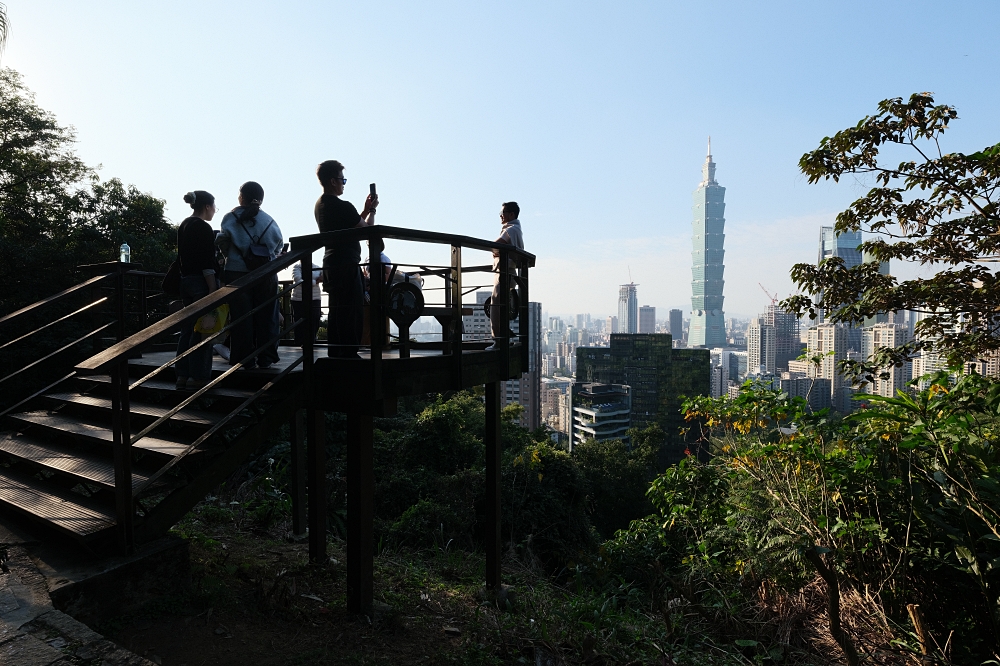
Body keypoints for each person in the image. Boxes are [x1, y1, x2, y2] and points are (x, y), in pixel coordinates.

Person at [216, 181, 284, 368]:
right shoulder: (270, 220)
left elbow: (222, 241)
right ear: (261, 199)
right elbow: (279, 245)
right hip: (265, 272)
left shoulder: (230, 218)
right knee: (268, 316)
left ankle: (243, 357)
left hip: (237, 273)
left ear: (241, 196)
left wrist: (232, 255)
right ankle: (267, 357)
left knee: (240, 317)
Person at [313, 160, 378, 358]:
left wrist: (365, 210)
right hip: (347, 263)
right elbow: (367, 231)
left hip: (331, 263)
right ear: (333, 181)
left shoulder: (321, 204)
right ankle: (350, 353)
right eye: (342, 180)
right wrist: (372, 211)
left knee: (337, 310)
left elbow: (351, 225)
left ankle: (337, 352)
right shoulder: (342, 206)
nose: (343, 183)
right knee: (352, 310)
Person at [175, 190, 220, 389]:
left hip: (185, 281)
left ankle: (182, 375)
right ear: (207, 206)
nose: (214, 211)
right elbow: (206, 260)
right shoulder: (203, 227)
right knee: (203, 329)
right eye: (214, 207)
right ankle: (199, 376)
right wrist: (212, 287)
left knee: (187, 329)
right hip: (201, 282)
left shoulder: (184, 224)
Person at [487, 201, 524, 350]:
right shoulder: (515, 229)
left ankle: (499, 341)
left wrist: (495, 250)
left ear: (511, 214)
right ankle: (503, 339)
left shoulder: (512, 229)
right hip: (507, 273)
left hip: (504, 273)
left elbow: (496, 245)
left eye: (503, 212)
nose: (501, 216)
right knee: (501, 307)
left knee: (496, 306)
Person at [291, 261, 322, 346]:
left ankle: (311, 341)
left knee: (315, 319)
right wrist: (315, 282)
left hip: (315, 297)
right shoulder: (297, 267)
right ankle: (300, 342)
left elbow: (323, 277)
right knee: (299, 320)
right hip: (298, 298)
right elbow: (298, 280)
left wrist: (309, 281)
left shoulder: (317, 266)